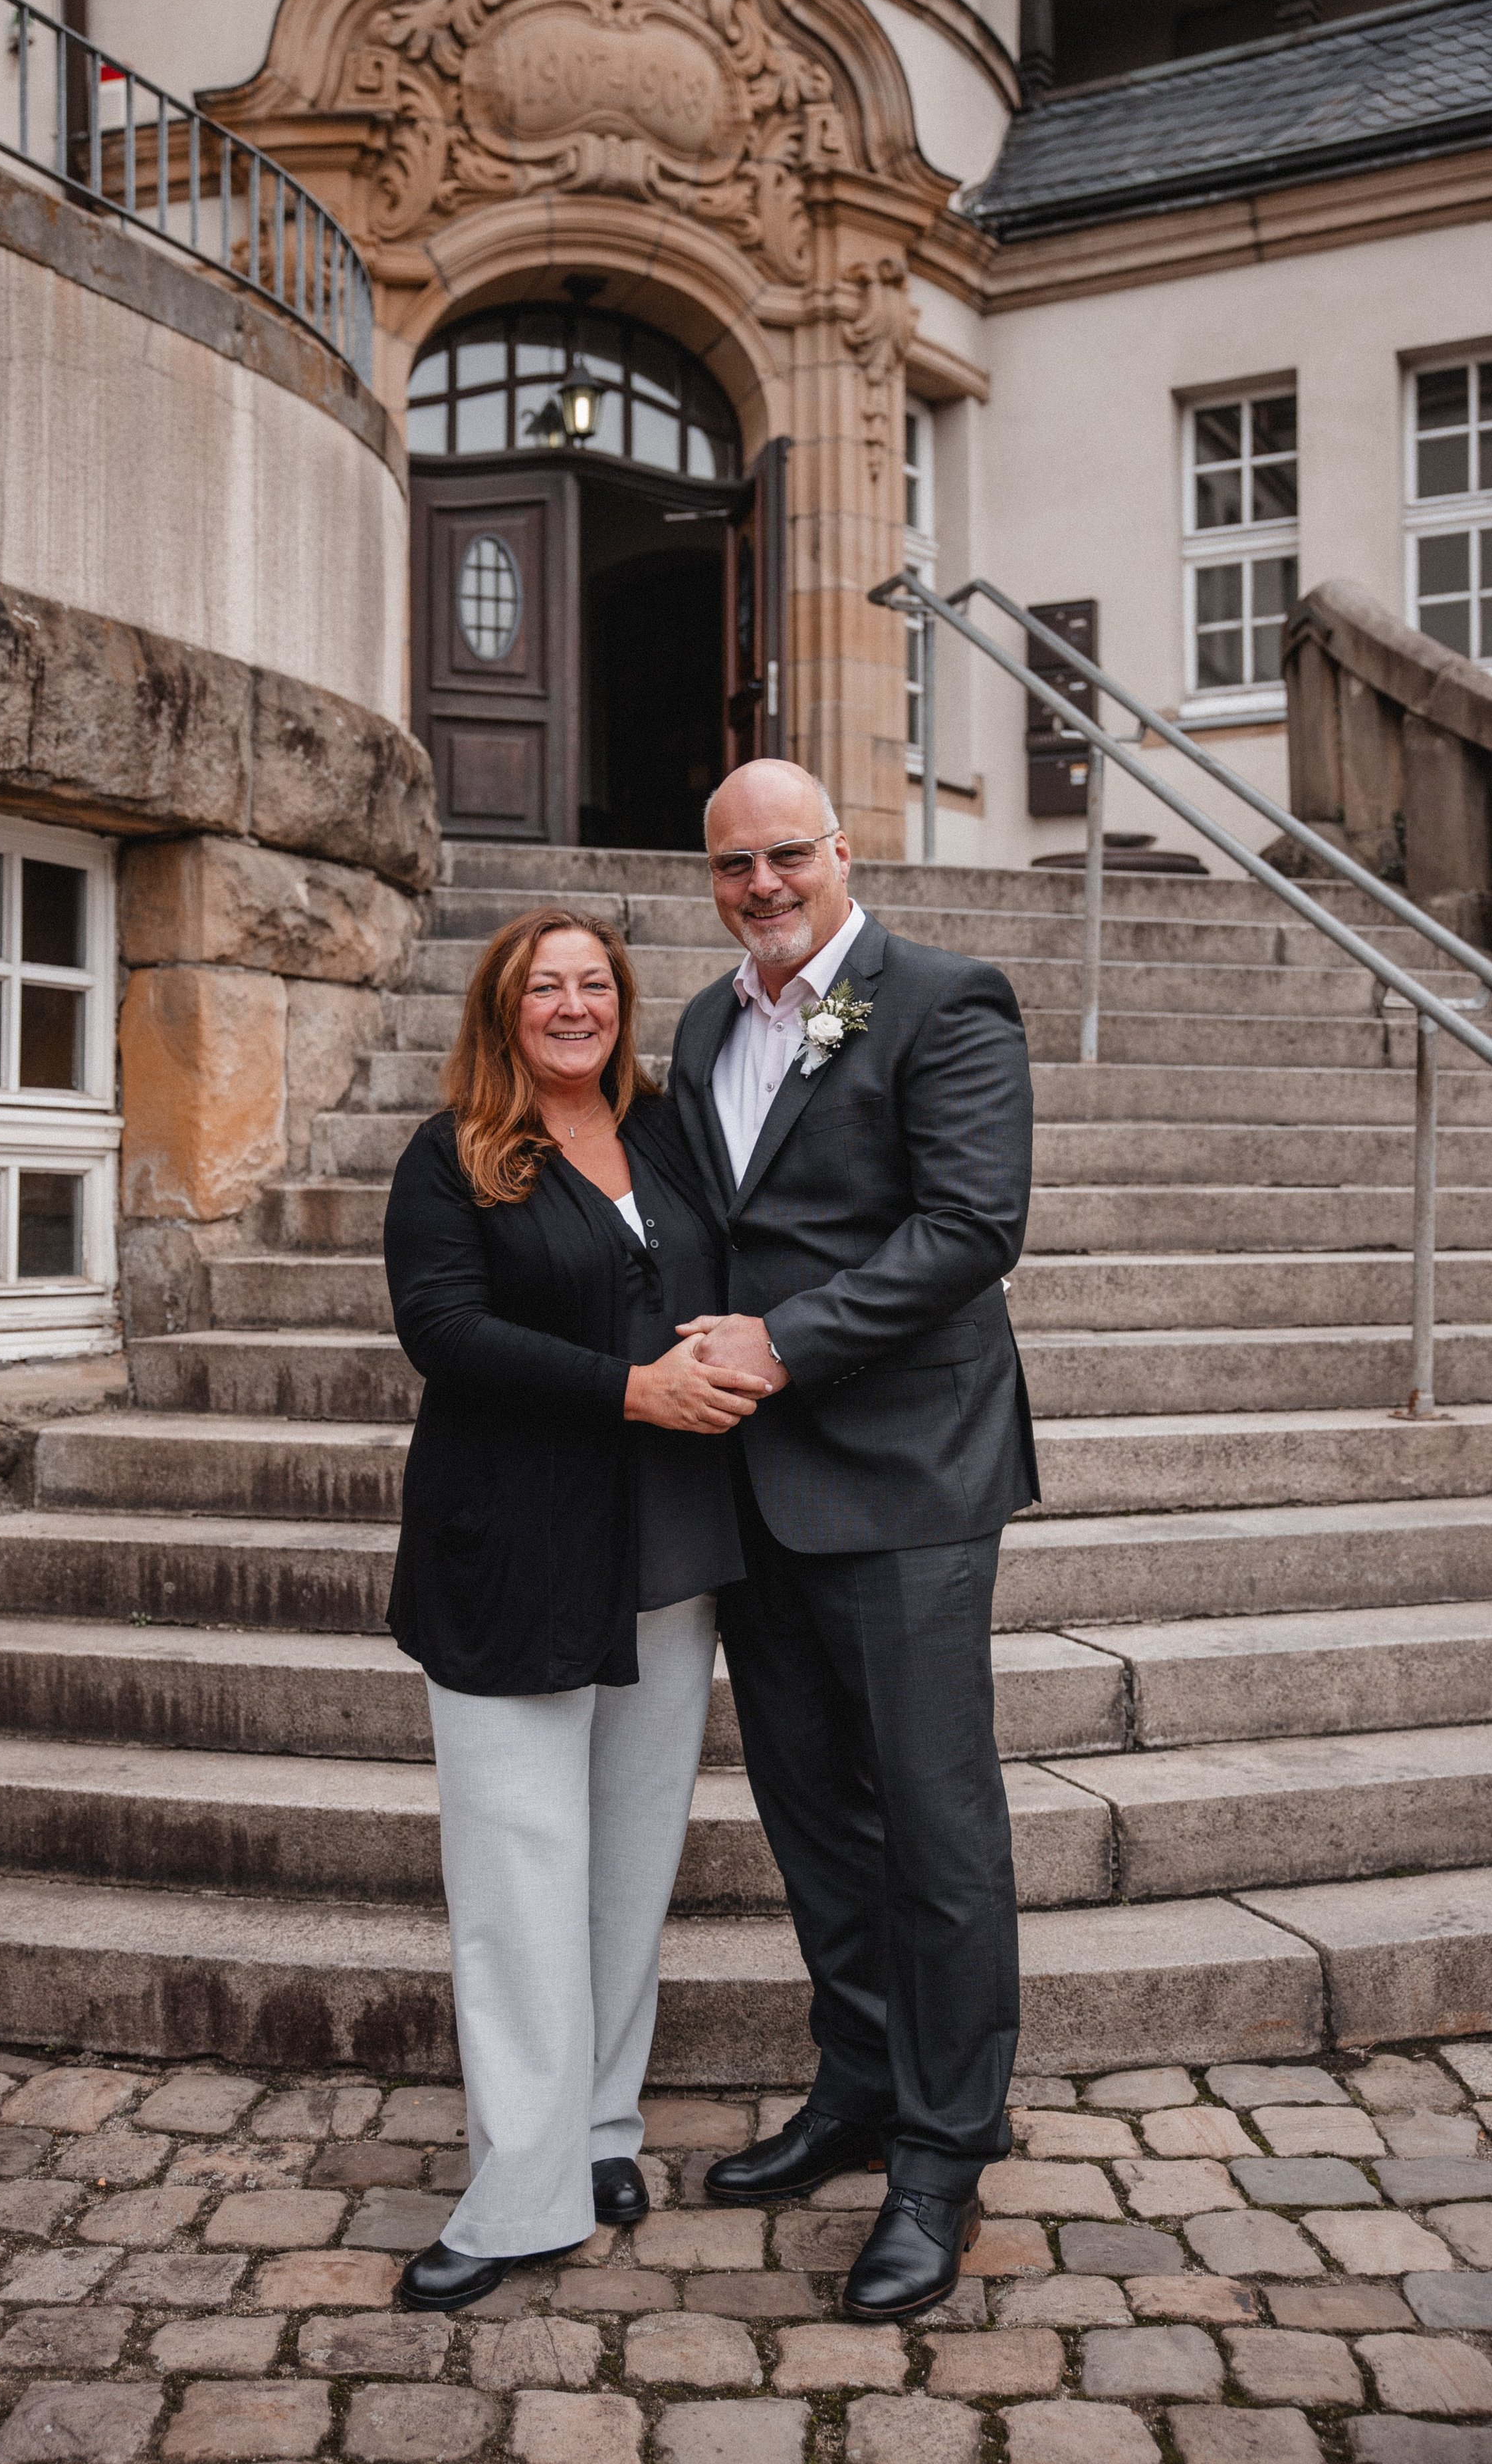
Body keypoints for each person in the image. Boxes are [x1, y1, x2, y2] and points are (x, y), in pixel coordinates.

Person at [668, 758, 1039, 2320]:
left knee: (933, 1825)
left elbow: (968, 1229)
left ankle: (944, 2155)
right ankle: (858, 2085)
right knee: (814, 1812)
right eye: (732, 866)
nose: (761, 886)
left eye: (785, 857)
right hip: (755, 1486)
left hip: (903, 1478)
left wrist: (776, 1343)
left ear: (840, 849)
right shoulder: (700, 1023)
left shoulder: (944, 1000)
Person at [382, 907, 770, 2314]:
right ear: (502, 1010)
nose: (569, 1005)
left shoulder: (667, 1136)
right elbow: (442, 1330)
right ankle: (519, 2195)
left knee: (625, 1871)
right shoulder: (454, 1156)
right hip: (510, 1555)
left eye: (591, 984)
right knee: (514, 1885)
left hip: (665, 1554)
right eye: (541, 986)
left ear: (621, 1004)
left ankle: (603, 2130)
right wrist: (630, 1389)